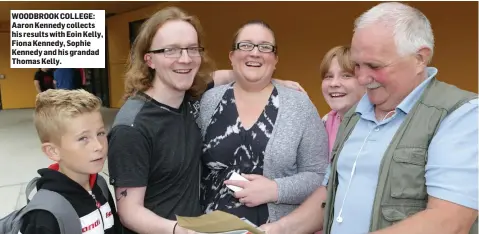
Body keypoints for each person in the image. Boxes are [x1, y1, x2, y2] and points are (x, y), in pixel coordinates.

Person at [261, 2, 478, 234]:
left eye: (374, 66)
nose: (362, 78)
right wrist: (278, 230)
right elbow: (330, 195)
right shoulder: (356, 113)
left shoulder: (460, 113)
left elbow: (448, 221)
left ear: (420, 58)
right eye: (357, 65)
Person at [107, 7, 307, 234]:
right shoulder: (132, 127)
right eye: (171, 50)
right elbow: (129, 211)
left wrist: (274, 79)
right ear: (149, 59)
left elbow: (228, 74)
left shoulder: (191, 94)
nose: (185, 59)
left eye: (192, 49)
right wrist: (179, 231)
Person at [197, 20, 329, 227]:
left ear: (275, 59)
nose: (255, 53)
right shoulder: (208, 102)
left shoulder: (299, 105)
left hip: (275, 228)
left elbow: (320, 175)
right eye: (246, 45)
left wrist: (276, 189)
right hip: (208, 228)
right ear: (232, 56)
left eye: (265, 47)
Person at [20, 89, 120, 234]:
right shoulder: (45, 214)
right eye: (83, 138)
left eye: (100, 133)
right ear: (53, 151)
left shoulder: (100, 185)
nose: (99, 146)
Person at [317, 45, 366, 234]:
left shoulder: (379, 125)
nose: (334, 83)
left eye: (346, 75)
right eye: (328, 76)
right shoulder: (323, 124)